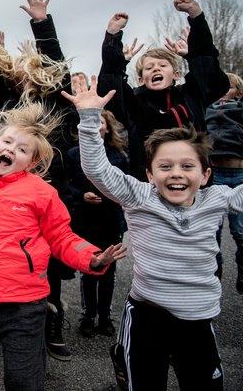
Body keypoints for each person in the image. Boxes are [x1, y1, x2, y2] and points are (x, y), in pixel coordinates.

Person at [0, 102, 125, 391]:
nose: (12, 149)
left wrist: (93, 258)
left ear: (31, 163)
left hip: (24, 305)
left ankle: (29, 346)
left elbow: (61, 238)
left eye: (22, 149)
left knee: (24, 383)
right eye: (7, 141)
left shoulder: (42, 193)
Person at [64, 74, 239, 391]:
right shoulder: (139, 195)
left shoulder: (218, 198)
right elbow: (97, 169)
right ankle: (125, 357)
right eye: (165, 166)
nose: (176, 173)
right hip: (147, 317)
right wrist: (89, 118)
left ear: (206, 174)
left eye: (188, 166)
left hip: (198, 323)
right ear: (149, 173)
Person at [0, 0, 79, 361]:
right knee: (18, 258)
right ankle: (10, 324)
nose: (25, 82)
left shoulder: (57, 102)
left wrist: (42, 24)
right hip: (12, 197)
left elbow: (56, 63)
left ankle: (51, 321)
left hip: (50, 192)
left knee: (50, 262)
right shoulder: (11, 108)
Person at [97, 0, 230, 177]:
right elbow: (110, 83)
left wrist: (196, 18)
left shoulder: (190, 95)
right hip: (147, 189)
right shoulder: (135, 102)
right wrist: (112, 37)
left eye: (162, 65)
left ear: (175, 74)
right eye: (149, 68)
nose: (156, 69)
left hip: (194, 186)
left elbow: (208, 69)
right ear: (140, 78)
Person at [65, 110, 128, 337]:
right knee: (89, 268)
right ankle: (88, 315)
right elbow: (68, 185)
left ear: (107, 128)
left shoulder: (119, 156)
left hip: (110, 220)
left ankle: (105, 317)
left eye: (99, 121)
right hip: (84, 220)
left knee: (108, 271)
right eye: (90, 122)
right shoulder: (73, 154)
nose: (95, 125)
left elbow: (125, 188)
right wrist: (81, 195)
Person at [206, 72, 243, 292]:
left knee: (240, 230)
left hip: (239, 174)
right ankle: (214, 271)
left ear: (238, 92)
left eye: (227, 87)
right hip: (216, 174)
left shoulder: (239, 109)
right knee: (213, 230)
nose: (223, 90)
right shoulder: (208, 108)